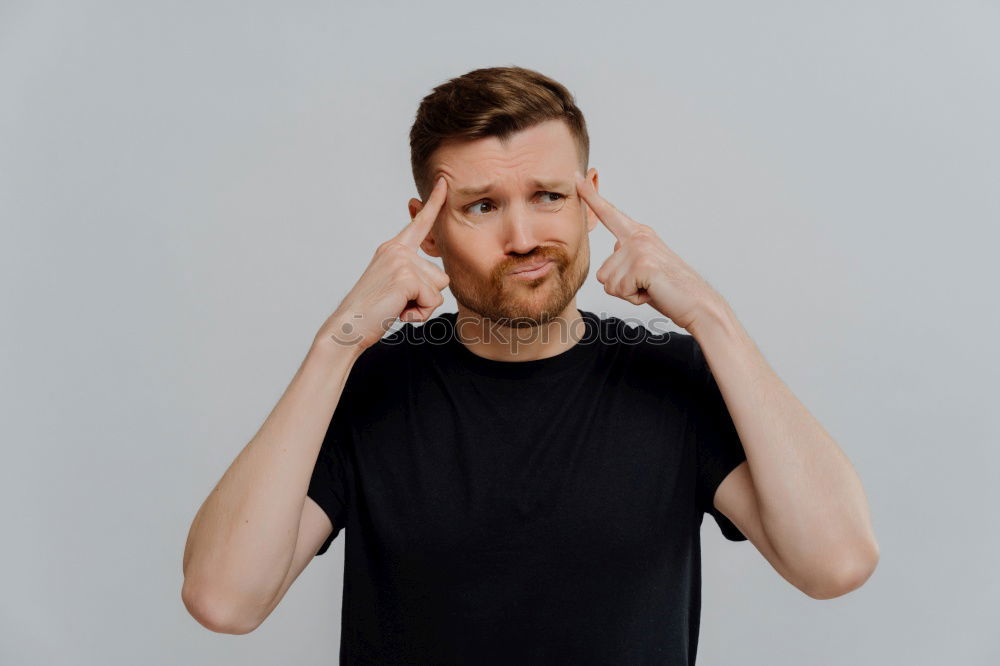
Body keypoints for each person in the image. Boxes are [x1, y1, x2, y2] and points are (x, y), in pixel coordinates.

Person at [181, 66, 880, 664]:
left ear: (589, 198)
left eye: (549, 196)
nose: (523, 239)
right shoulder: (370, 388)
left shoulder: (673, 377)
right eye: (482, 206)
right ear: (424, 227)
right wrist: (336, 342)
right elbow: (224, 601)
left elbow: (836, 562)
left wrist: (712, 319)